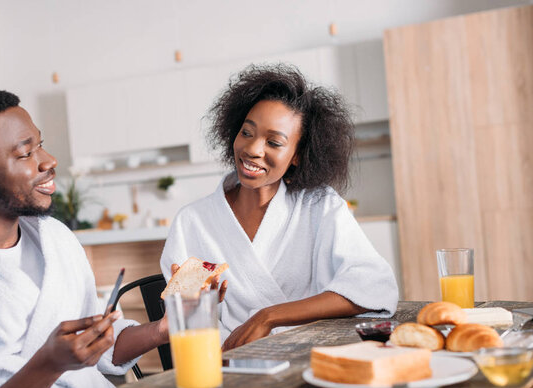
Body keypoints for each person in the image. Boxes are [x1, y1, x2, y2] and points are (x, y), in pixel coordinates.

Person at [0, 90, 170, 388]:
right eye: (25, 153)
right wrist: (48, 365)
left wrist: (162, 330)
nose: (50, 160)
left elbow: (94, 346)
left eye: (40, 145)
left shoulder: (55, 239)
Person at [160, 64, 399, 350]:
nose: (253, 149)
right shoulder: (193, 221)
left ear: (297, 155)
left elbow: (373, 287)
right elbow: (183, 323)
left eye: (274, 142)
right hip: (230, 360)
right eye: (247, 133)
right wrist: (197, 305)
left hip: (314, 354)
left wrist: (268, 317)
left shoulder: (320, 206)